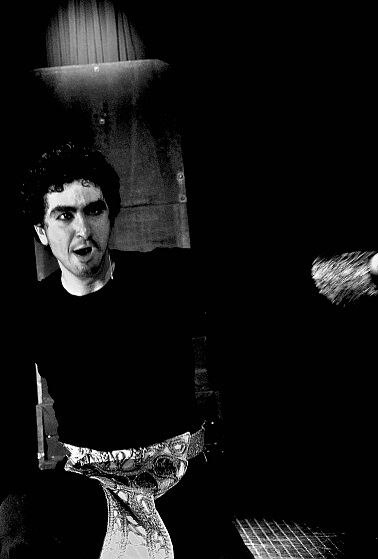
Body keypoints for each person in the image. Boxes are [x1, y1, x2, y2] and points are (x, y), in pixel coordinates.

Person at [0, 142, 253, 558]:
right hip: (90, 493)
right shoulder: (34, 310)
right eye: (64, 215)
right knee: (20, 516)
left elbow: (253, 280)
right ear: (42, 231)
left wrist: (352, 273)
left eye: (94, 211)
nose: (83, 230)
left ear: (110, 216)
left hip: (182, 485)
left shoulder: (164, 277)